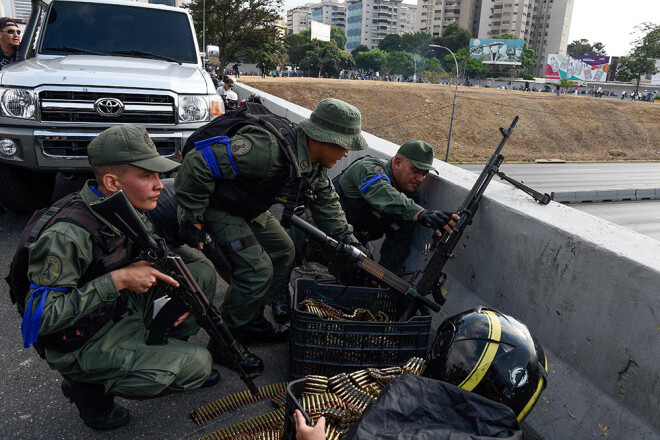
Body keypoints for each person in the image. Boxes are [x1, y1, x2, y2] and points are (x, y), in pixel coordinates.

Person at [22, 125, 222, 430]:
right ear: (112, 181)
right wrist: (117, 281)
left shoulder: (120, 206)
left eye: (158, 175)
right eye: (147, 176)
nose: (159, 185)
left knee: (200, 275)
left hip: (113, 309)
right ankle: (88, 388)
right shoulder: (66, 237)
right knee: (198, 364)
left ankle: (154, 347)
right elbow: (40, 320)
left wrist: (176, 291)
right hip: (80, 338)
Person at [175, 98, 366, 340]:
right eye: (344, 145)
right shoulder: (266, 150)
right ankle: (230, 335)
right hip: (214, 204)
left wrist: (353, 245)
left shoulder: (313, 166)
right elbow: (198, 162)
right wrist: (193, 218)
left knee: (284, 251)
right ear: (323, 138)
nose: (347, 152)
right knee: (257, 269)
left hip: (246, 205)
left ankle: (250, 313)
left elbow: (329, 208)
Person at [333, 140, 458, 273]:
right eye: (415, 171)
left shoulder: (409, 201)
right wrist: (420, 213)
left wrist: (382, 274)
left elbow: (399, 242)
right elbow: (381, 191)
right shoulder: (368, 168)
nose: (420, 179)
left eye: (424, 174)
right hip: (322, 233)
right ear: (397, 163)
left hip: (352, 247)